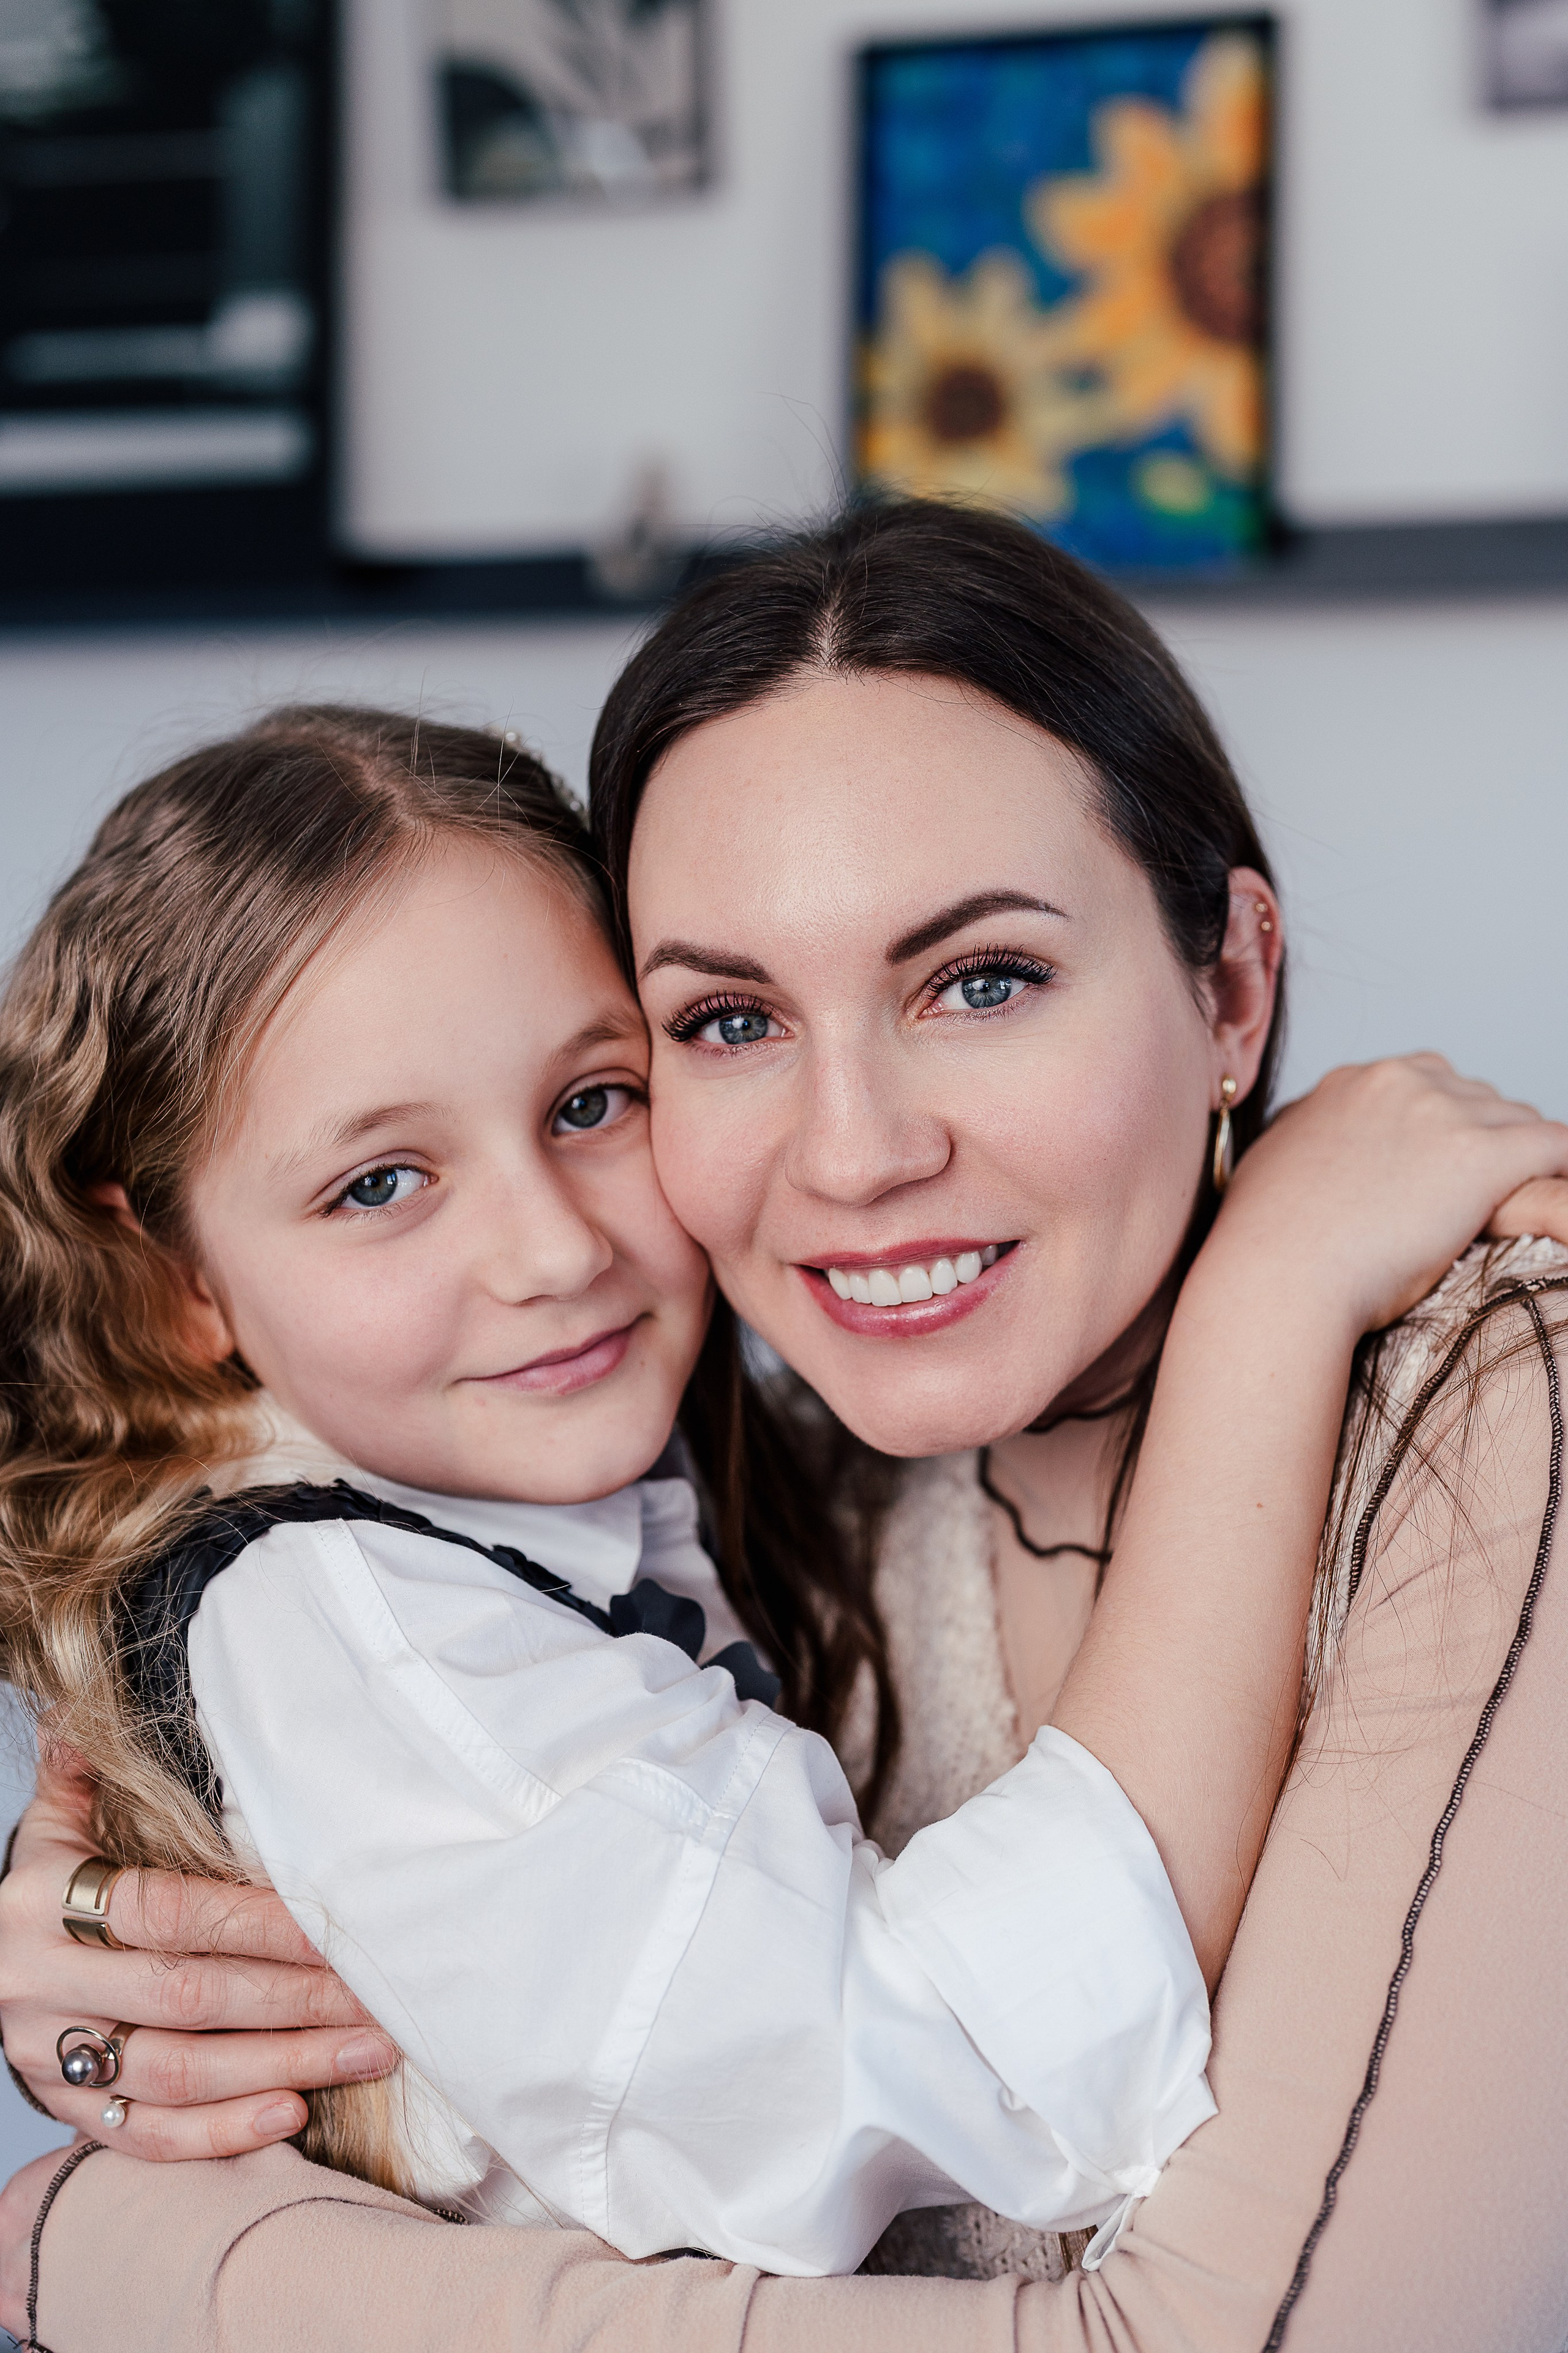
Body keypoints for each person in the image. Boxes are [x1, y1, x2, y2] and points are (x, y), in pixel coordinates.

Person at [2, 503, 1567, 2351]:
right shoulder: (777, 1497)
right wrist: (116, 1946)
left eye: (982, 981)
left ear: (1228, 987)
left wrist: (117, 2242)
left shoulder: (1494, 1416)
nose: (855, 1153)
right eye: (732, 1020)